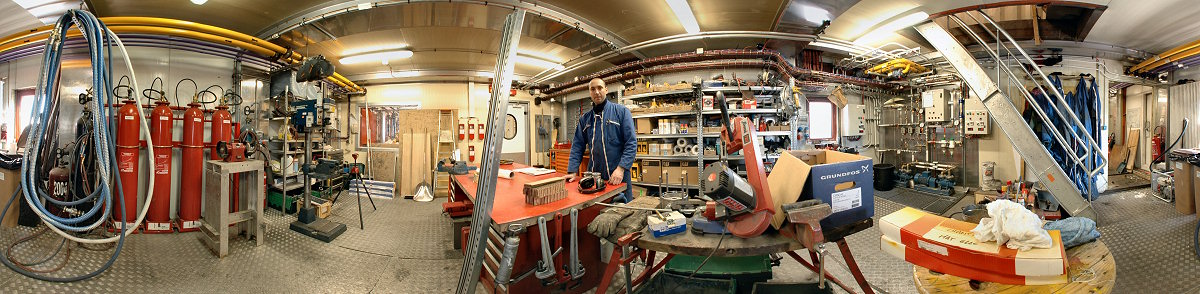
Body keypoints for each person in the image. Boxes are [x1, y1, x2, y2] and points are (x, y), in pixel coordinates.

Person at [567, 78, 637, 202]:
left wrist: (621, 169)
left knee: (623, 212)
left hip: (618, 176)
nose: (597, 92)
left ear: (606, 89)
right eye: (592, 89)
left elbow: (631, 143)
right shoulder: (585, 119)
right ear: (589, 92)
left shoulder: (621, 112)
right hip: (594, 177)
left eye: (599, 88)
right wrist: (572, 171)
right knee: (597, 212)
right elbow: (577, 145)